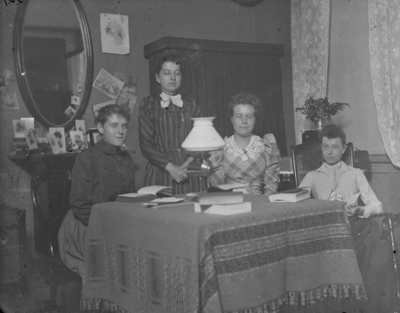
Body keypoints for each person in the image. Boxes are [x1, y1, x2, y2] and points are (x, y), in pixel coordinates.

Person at [298, 124, 394, 312]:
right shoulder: (312, 177)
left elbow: (377, 205)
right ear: (321, 148)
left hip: (354, 227)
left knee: (371, 244)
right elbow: (297, 204)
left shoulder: (355, 174)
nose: (330, 152)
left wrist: (358, 210)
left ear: (343, 149)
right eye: (325, 147)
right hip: (326, 231)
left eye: (335, 147)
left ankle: (360, 304)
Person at [58, 104, 135, 277]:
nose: (120, 131)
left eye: (124, 126)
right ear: (100, 128)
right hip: (85, 226)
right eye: (114, 126)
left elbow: (130, 197)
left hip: (115, 222)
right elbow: (80, 204)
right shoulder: (87, 157)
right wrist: (105, 227)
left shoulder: (127, 158)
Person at [138, 52, 203, 194]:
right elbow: (146, 146)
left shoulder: (191, 106)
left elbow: (201, 140)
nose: (173, 78)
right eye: (167, 73)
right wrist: (171, 168)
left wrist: (190, 162)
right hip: (161, 171)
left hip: (189, 171)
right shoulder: (150, 105)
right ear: (157, 77)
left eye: (177, 73)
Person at [208, 92, 281, 196]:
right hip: (229, 204)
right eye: (239, 116)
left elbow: (271, 186)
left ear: (255, 119)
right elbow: (216, 186)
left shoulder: (266, 146)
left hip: (258, 205)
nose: (244, 121)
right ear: (231, 119)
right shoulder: (221, 148)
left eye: (249, 116)